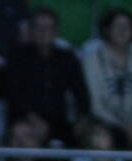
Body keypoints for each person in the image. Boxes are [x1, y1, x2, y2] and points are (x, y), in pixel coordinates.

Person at [5, 5, 90, 143]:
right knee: (22, 133)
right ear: (31, 30)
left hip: (60, 122)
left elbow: (81, 92)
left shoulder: (67, 58)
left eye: (49, 28)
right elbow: (14, 94)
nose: (44, 32)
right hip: (25, 119)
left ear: (56, 31)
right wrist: (32, 119)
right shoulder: (17, 57)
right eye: (39, 27)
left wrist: (82, 119)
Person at [81, 7, 132, 148]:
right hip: (105, 121)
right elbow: (96, 103)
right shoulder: (92, 60)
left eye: (127, 26)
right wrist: (120, 125)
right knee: (100, 136)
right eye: (117, 26)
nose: (122, 30)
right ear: (107, 30)